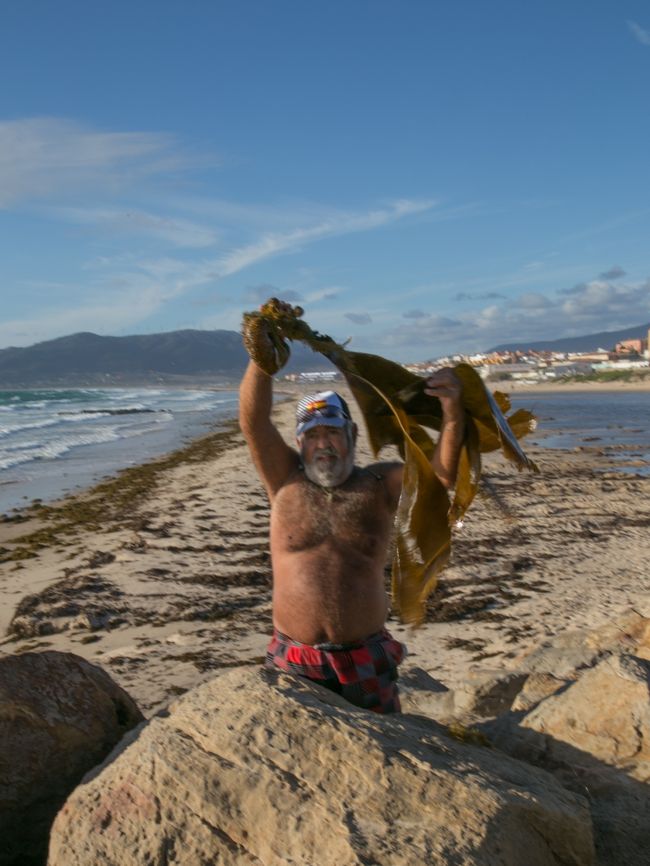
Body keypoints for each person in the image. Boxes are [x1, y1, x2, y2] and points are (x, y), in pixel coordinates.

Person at [239, 318, 465, 713]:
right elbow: (253, 423)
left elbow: (442, 477)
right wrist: (261, 362)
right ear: (299, 442)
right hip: (293, 660)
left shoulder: (380, 484)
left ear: (352, 437)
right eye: (312, 435)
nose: (323, 444)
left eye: (332, 433)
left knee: (383, 755)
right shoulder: (284, 480)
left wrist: (453, 412)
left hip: (365, 659)